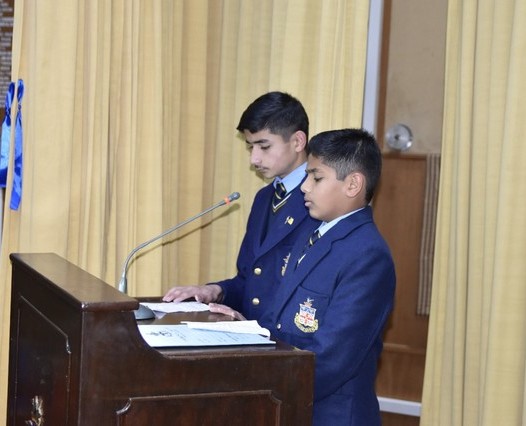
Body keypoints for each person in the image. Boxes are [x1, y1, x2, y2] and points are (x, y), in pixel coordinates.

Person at [257, 128, 396, 425]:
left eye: (316, 178)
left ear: (353, 184)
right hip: (290, 403)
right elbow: (277, 320)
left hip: (329, 414)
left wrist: (262, 390)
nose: (305, 187)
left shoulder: (367, 255)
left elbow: (332, 359)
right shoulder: (311, 234)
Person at [163, 91, 320, 321]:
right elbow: (250, 280)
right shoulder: (265, 198)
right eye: (250, 147)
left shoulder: (320, 199)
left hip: (287, 336)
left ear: (297, 141)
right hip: (253, 333)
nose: (254, 159)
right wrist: (214, 291)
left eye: (264, 146)